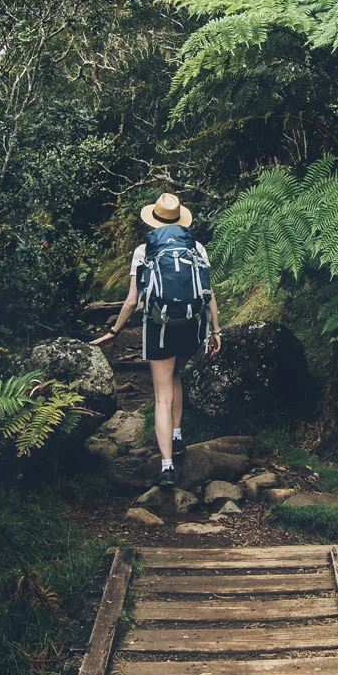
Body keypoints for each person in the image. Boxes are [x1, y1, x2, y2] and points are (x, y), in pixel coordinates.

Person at [93, 191, 222, 486]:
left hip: (159, 327)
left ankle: (166, 467)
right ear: (180, 218)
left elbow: (130, 301)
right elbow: (208, 292)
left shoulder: (143, 251)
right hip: (191, 326)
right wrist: (216, 331)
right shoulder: (197, 247)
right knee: (176, 374)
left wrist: (114, 331)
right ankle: (177, 436)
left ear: (154, 221)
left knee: (162, 395)